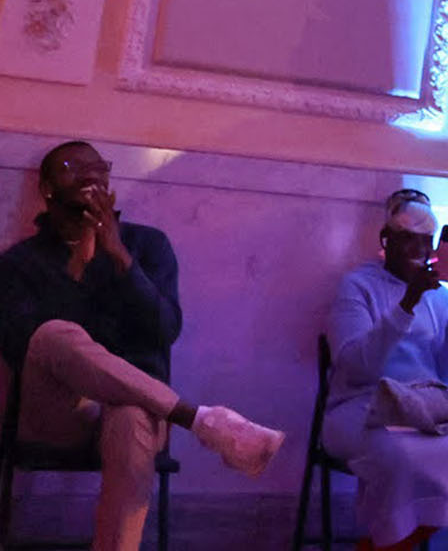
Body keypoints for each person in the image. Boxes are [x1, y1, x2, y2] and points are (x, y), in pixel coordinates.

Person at [0, 140, 283, 551]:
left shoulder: (148, 247)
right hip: (58, 414)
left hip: (135, 413)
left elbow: (165, 330)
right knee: (52, 334)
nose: (89, 175)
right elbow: (19, 347)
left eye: (99, 167)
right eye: (72, 167)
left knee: (133, 415)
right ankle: (199, 419)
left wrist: (120, 261)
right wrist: (79, 268)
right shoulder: (19, 262)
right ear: (46, 187)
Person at [323, 188, 448, 551]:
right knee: (400, 457)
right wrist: (407, 303)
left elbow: (447, 375)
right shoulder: (358, 286)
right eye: (407, 240)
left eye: (425, 242)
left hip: (423, 407)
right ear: (386, 239)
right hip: (361, 405)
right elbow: (356, 367)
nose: (417, 251)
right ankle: (386, 545)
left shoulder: (438, 295)